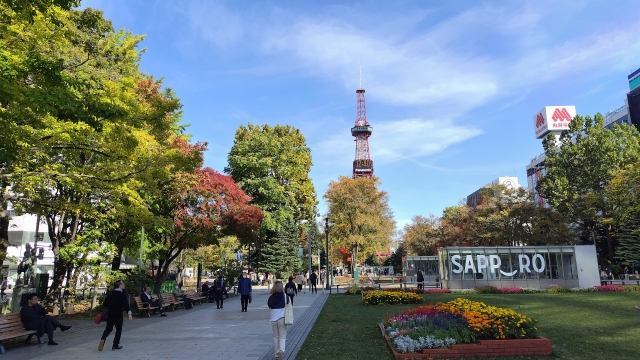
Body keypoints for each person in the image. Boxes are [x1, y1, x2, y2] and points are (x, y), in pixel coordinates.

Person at [99, 280, 133, 351]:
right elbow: (126, 305)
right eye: (123, 284)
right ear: (120, 286)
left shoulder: (110, 294)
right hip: (118, 315)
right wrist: (129, 314)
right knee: (118, 330)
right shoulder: (122, 294)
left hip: (110, 314)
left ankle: (103, 338)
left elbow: (105, 304)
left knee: (108, 329)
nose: (124, 285)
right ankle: (115, 345)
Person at [268, 281, 287, 360]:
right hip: (282, 318)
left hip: (273, 319)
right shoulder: (285, 296)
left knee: (275, 337)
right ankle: (281, 350)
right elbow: (289, 304)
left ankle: (276, 354)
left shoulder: (271, 297)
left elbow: (269, 305)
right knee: (282, 337)